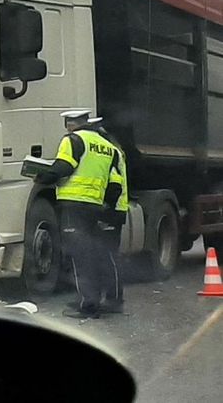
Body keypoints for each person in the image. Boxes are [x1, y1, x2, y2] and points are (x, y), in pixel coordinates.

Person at [35, 110, 121, 319]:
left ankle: (88, 306)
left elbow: (64, 166)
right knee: (93, 254)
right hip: (96, 207)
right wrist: (105, 205)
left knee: (79, 257)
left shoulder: (72, 140)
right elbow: (115, 184)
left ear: (71, 124)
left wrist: (42, 178)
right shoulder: (109, 147)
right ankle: (98, 301)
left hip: (73, 205)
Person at [94, 118, 128, 313]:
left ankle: (115, 299)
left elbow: (114, 185)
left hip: (112, 211)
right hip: (113, 209)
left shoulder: (110, 152)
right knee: (103, 255)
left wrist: (106, 208)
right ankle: (105, 297)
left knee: (108, 256)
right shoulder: (113, 149)